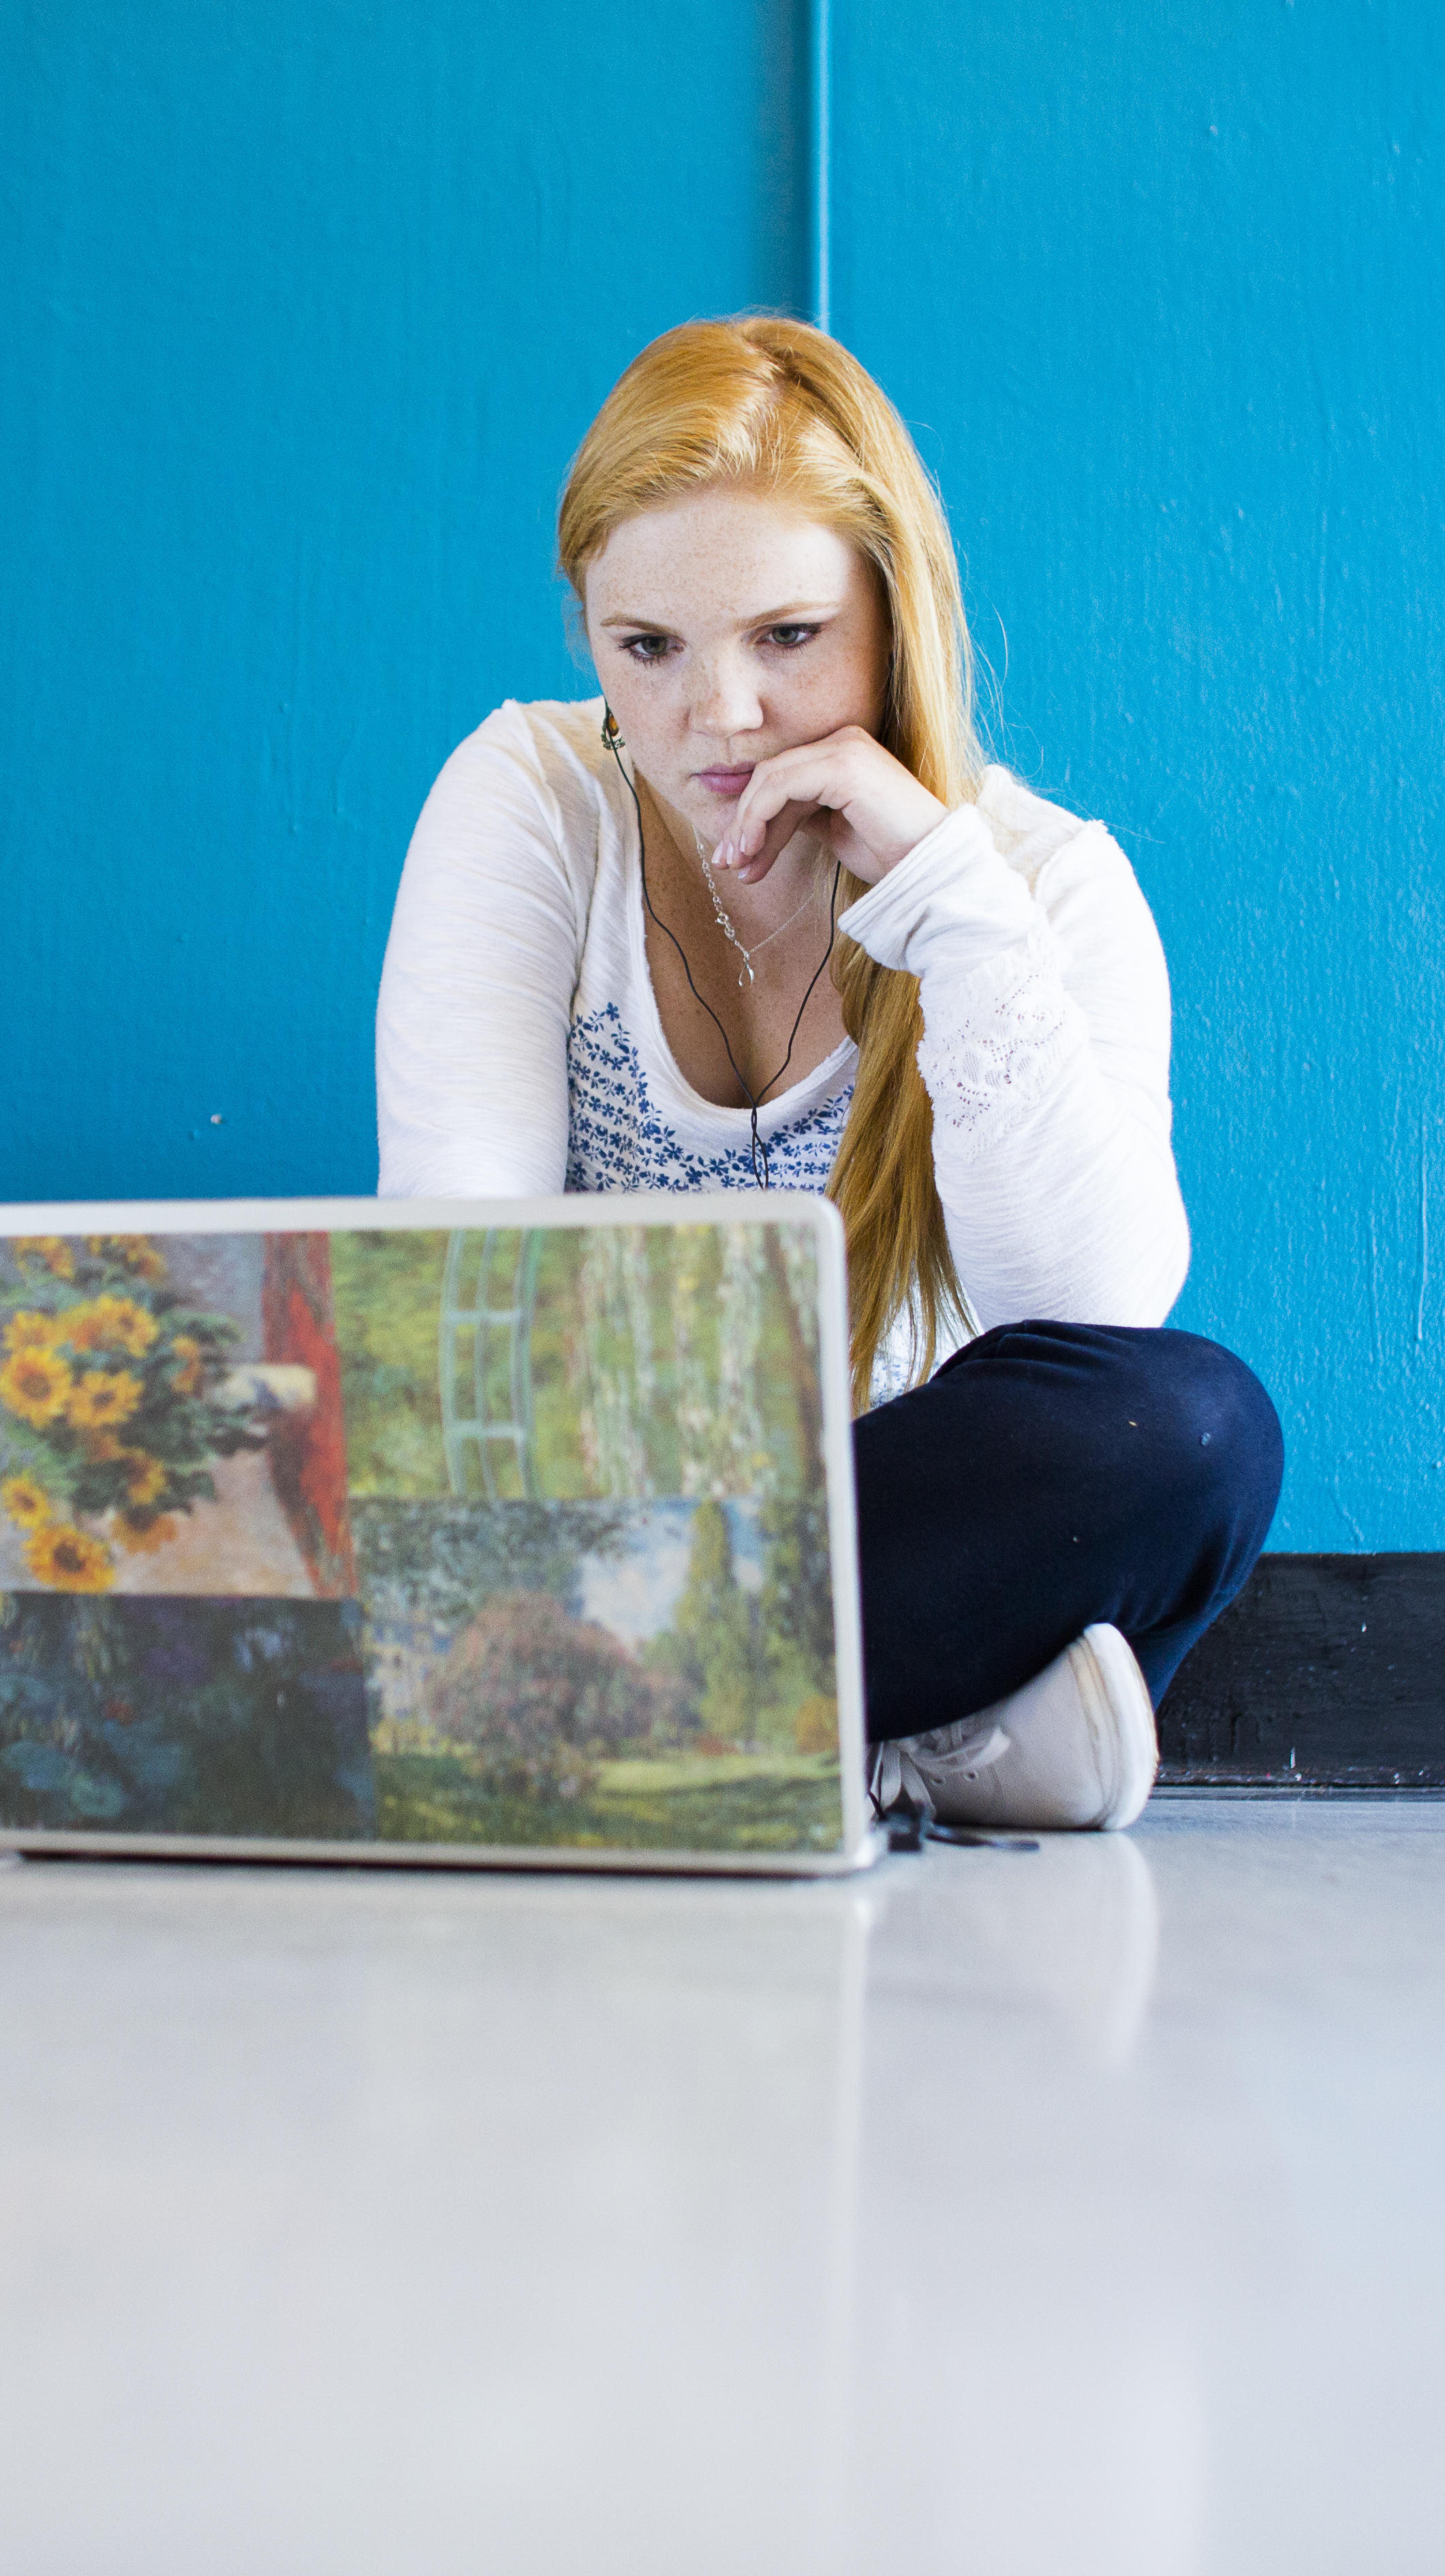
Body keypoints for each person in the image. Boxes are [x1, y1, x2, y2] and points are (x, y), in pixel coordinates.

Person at [374, 315, 1279, 1836]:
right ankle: (896, 1728)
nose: (711, 716)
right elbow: (458, 1267)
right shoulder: (531, 796)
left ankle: (627, 1726)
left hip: (875, 1525)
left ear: (892, 615)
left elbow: (1093, 1308)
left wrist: (955, 905)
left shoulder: (1049, 883)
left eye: (784, 639)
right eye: (645, 646)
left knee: (1191, 1427)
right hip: (577, 1515)